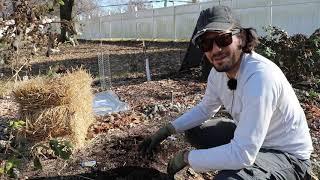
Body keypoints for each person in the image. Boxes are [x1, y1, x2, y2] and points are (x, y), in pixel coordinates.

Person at [139, 5, 314, 180]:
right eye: (206, 43)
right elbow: (205, 109)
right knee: (194, 130)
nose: (215, 50)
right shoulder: (217, 75)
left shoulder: (260, 77)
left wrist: (187, 157)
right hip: (252, 139)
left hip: (286, 155)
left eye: (222, 39)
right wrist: (168, 129)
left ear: (241, 38)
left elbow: (243, 154)